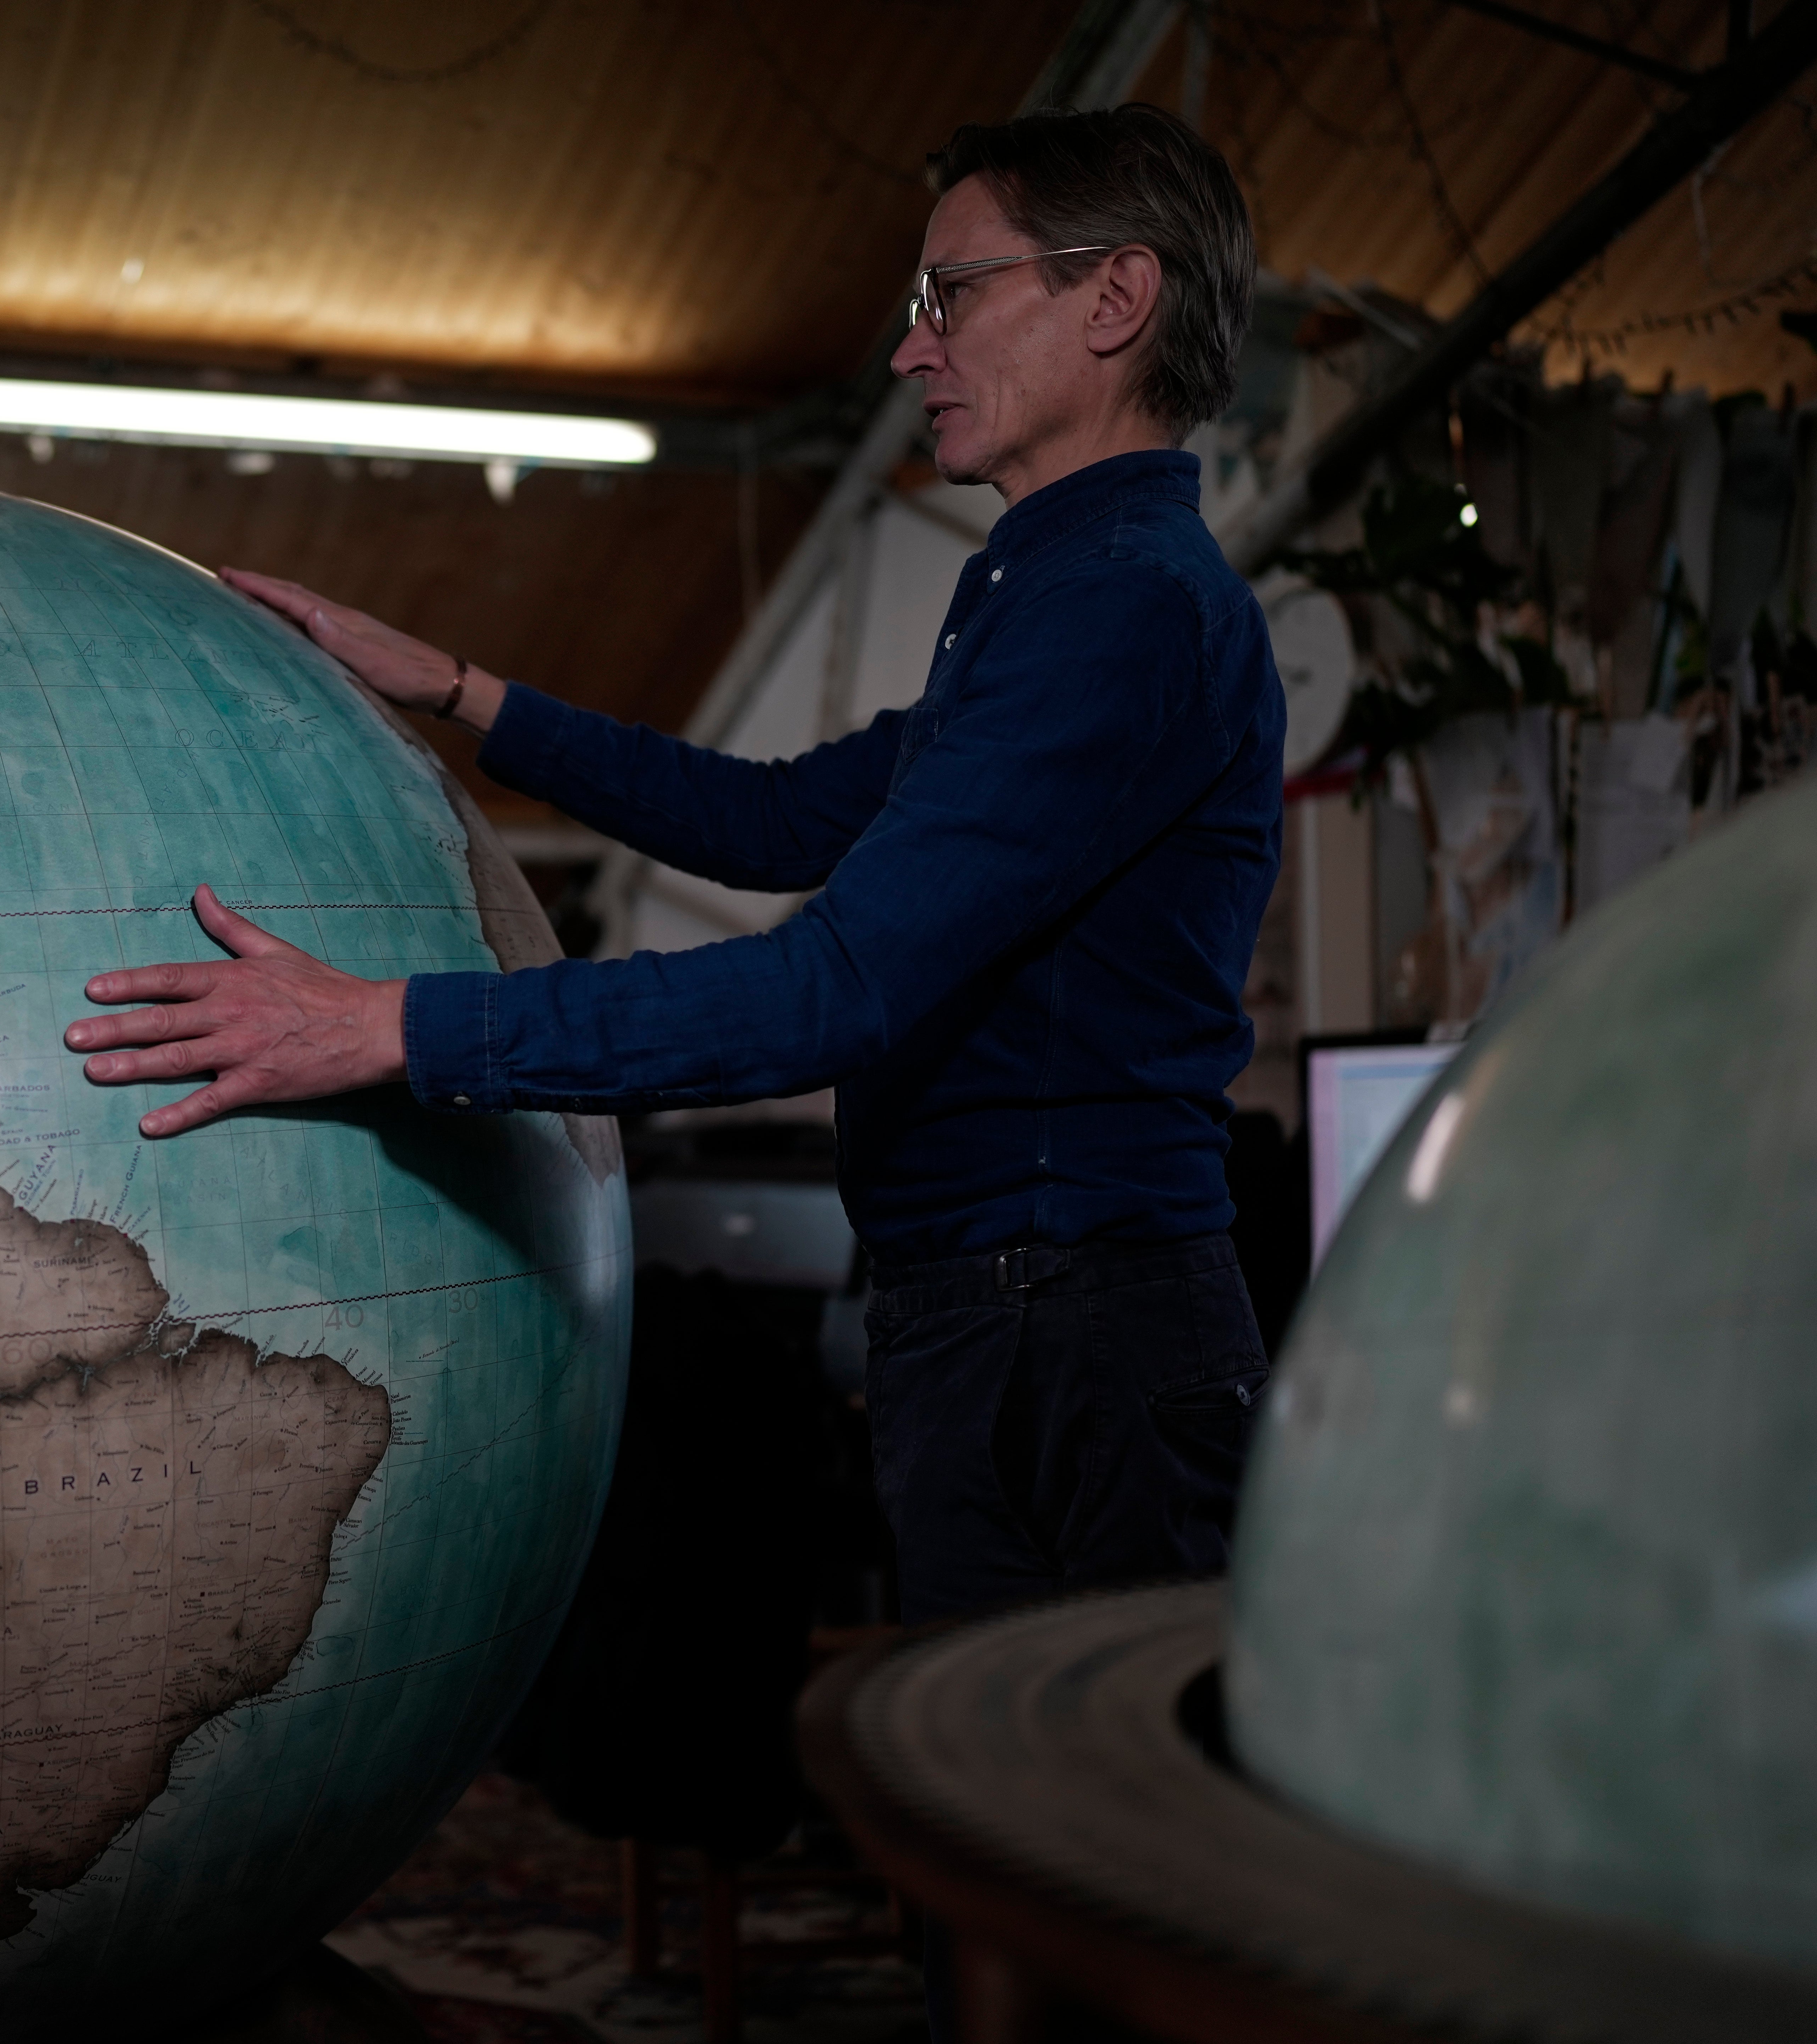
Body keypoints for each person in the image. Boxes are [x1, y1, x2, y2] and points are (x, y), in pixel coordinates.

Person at [64, 104, 1281, 1625]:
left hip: (1076, 1336)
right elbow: (770, 822)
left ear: (1116, 298)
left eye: (951, 293)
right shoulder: (1059, 595)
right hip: (1016, 1317)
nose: (914, 351)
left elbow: (830, 993)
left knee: (1090, 1851)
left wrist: (384, 1028)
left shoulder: (1122, 612)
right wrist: (456, 687)